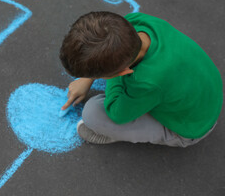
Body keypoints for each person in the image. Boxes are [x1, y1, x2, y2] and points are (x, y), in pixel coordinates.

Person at [59, 11, 223, 147]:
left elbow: (118, 115)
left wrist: (111, 77)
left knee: (92, 114)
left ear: (123, 71)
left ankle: (122, 134)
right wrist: (88, 78)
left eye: (95, 76)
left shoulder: (146, 82)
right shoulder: (132, 24)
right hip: (206, 90)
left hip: (192, 126)